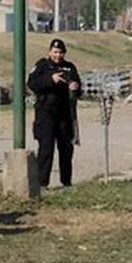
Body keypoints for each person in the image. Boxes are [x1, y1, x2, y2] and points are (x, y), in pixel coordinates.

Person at [28, 38, 81, 189]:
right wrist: (50, 79)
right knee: (46, 148)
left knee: (66, 149)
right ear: (50, 51)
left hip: (65, 113)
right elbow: (32, 84)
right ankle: (42, 183)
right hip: (46, 113)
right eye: (55, 52)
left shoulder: (69, 67)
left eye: (60, 52)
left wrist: (75, 86)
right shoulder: (42, 65)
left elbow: (78, 88)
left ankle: (66, 182)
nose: (58, 55)